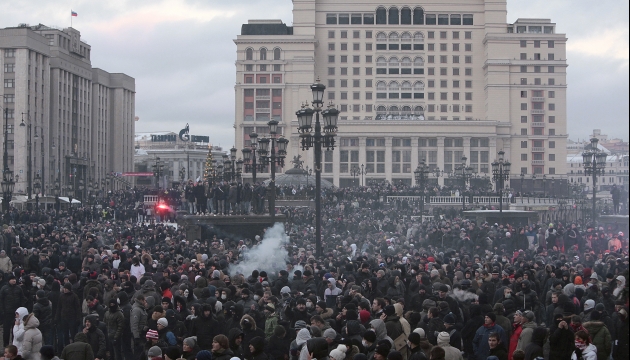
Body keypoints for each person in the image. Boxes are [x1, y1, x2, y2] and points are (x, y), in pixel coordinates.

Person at [1, 275, 28, 347]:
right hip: (7, 313)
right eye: (12, 279)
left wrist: (21, 308)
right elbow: (1, 300)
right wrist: (2, 311)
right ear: (9, 280)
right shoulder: (4, 289)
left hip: (17, 313)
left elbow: (22, 298)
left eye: (14, 279)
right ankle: (6, 345)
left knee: (16, 329)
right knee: (6, 330)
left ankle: (14, 345)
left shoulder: (18, 288)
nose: (14, 280)